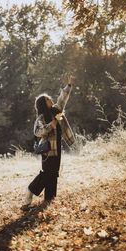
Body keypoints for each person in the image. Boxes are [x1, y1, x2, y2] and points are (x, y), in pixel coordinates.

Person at [25, 73, 75, 204]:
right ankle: (30, 190)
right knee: (47, 173)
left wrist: (69, 85)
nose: (51, 99)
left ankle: (49, 198)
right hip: (47, 149)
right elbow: (37, 132)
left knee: (54, 173)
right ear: (43, 103)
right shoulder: (41, 118)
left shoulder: (56, 112)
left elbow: (62, 100)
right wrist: (50, 126)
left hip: (57, 146)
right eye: (48, 99)